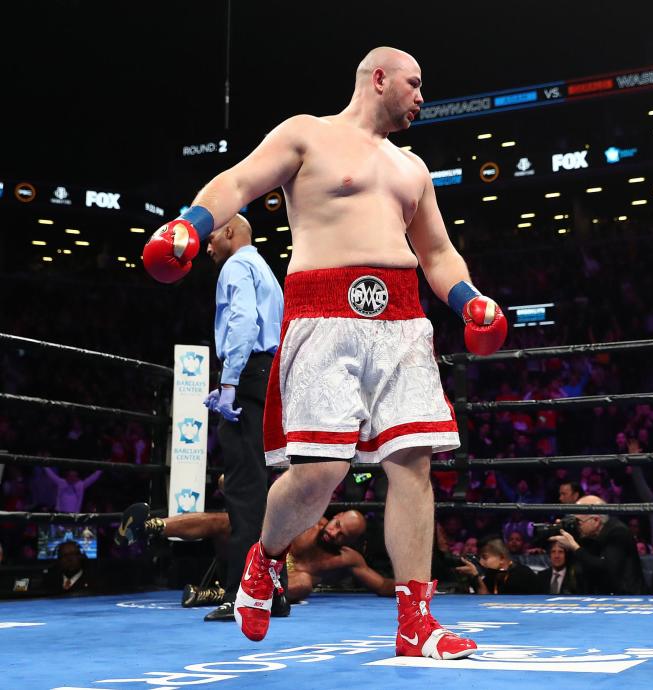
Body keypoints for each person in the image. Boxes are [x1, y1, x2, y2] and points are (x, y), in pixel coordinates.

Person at [142, 46, 507, 659]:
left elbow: (437, 254)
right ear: (380, 78)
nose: (423, 96)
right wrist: (191, 225)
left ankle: (417, 622)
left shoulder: (412, 167)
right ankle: (265, 557)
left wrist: (470, 299)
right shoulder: (307, 134)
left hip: (403, 317)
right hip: (322, 311)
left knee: (413, 463)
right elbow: (238, 181)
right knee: (320, 472)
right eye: (415, 84)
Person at [197, 214, 285, 622]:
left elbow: (244, 322)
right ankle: (272, 590)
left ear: (230, 231)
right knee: (262, 486)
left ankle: (243, 595)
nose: (207, 247)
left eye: (210, 236)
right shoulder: (264, 268)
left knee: (244, 488)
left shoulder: (235, 265)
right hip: (265, 374)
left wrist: (230, 381)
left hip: (249, 373)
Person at [117, 504, 388, 601]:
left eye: (343, 535)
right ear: (336, 516)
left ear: (350, 541)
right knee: (227, 520)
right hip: (251, 556)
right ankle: (151, 526)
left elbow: (382, 585)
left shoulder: (347, 559)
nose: (334, 533)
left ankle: (222, 595)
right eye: (337, 524)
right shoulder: (307, 518)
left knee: (304, 583)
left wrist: (419, 581)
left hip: (270, 587)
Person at [549, 495, 641, 594]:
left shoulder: (618, 532)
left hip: (627, 597)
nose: (577, 526)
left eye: (579, 522)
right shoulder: (591, 535)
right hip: (605, 595)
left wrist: (574, 547)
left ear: (596, 521)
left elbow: (608, 568)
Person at [454, 538, 542, 594]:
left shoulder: (522, 575)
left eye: (485, 557)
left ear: (502, 558)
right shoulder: (492, 574)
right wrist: (474, 577)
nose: (481, 562)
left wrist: (476, 576)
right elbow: (485, 598)